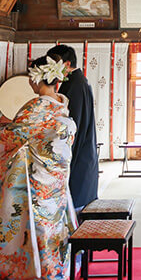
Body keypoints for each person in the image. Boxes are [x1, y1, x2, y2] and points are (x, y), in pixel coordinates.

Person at [0, 56, 77, 280]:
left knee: (41, 232)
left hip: (38, 180)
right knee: (53, 230)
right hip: (55, 178)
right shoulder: (61, 104)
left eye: (31, 76)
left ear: (36, 79)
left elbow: (13, 136)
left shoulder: (36, 107)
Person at [47, 44, 99, 211]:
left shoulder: (74, 85)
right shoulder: (77, 81)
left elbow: (72, 125)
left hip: (79, 153)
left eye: (54, 64)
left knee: (76, 207)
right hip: (84, 150)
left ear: (67, 64)